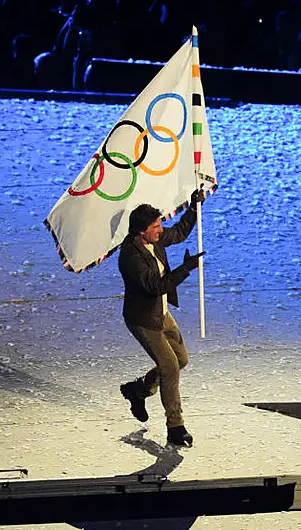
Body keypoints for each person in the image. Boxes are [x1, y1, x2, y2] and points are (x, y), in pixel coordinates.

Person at [118, 189, 206, 447]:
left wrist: (193, 208)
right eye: (156, 226)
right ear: (142, 230)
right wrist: (185, 269)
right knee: (169, 368)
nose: (160, 229)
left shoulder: (153, 239)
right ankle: (175, 427)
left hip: (161, 312)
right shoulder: (131, 256)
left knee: (181, 360)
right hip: (144, 319)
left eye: (159, 224)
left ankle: (139, 390)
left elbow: (178, 233)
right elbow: (155, 286)